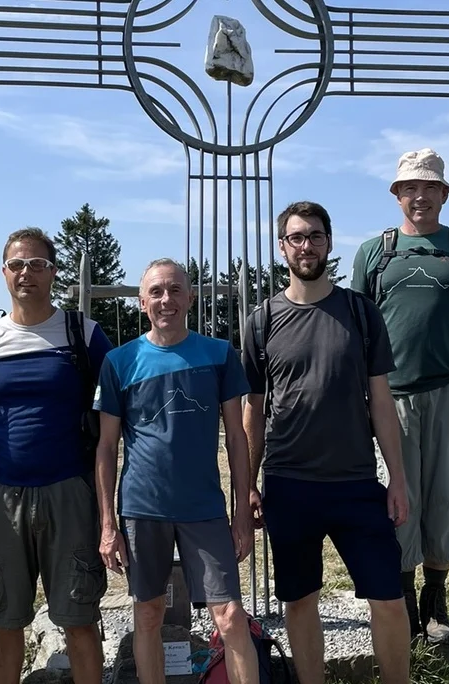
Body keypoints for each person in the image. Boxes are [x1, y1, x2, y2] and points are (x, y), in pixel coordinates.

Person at [240, 201, 413, 684]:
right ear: (282, 248)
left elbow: (381, 401)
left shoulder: (360, 312)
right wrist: (246, 485)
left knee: (388, 599)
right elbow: (253, 409)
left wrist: (396, 479)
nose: (306, 246)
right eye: (296, 237)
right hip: (289, 484)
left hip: (356, 482)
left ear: (329, 242)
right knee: (300, 600)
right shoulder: (262, 321)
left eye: (315, 236)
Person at [350, 148, 449, 646]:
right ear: (397, 196)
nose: (420, 196)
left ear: (444, 193)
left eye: (429, 187)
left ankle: (436, 603)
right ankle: (403, 607)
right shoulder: (375, 253)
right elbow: (356, 333)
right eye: (409, 188)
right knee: (396, 502)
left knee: (442, 501)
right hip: (387, 398)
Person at [94, 258, 259, 684]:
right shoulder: (119, 361)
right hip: (142, 507)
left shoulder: (219, 354)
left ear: (190, 297)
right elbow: (107, 446)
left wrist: (242, 513)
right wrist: (108, 525)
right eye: (156, 292)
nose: (166, 300)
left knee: (230, 614)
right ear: (141, 301)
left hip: (203, 506)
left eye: (175, 290)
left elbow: (237, 439)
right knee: (148, 613)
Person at [0, 228, 111, 684]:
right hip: (6, 493)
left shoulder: (82, 333)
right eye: (17, 265)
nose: (27, 273)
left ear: (53, 271)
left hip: (70, 491)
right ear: (4, 273)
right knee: (6, 614)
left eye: (37, 264)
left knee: (79, 615)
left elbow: (112, 408)